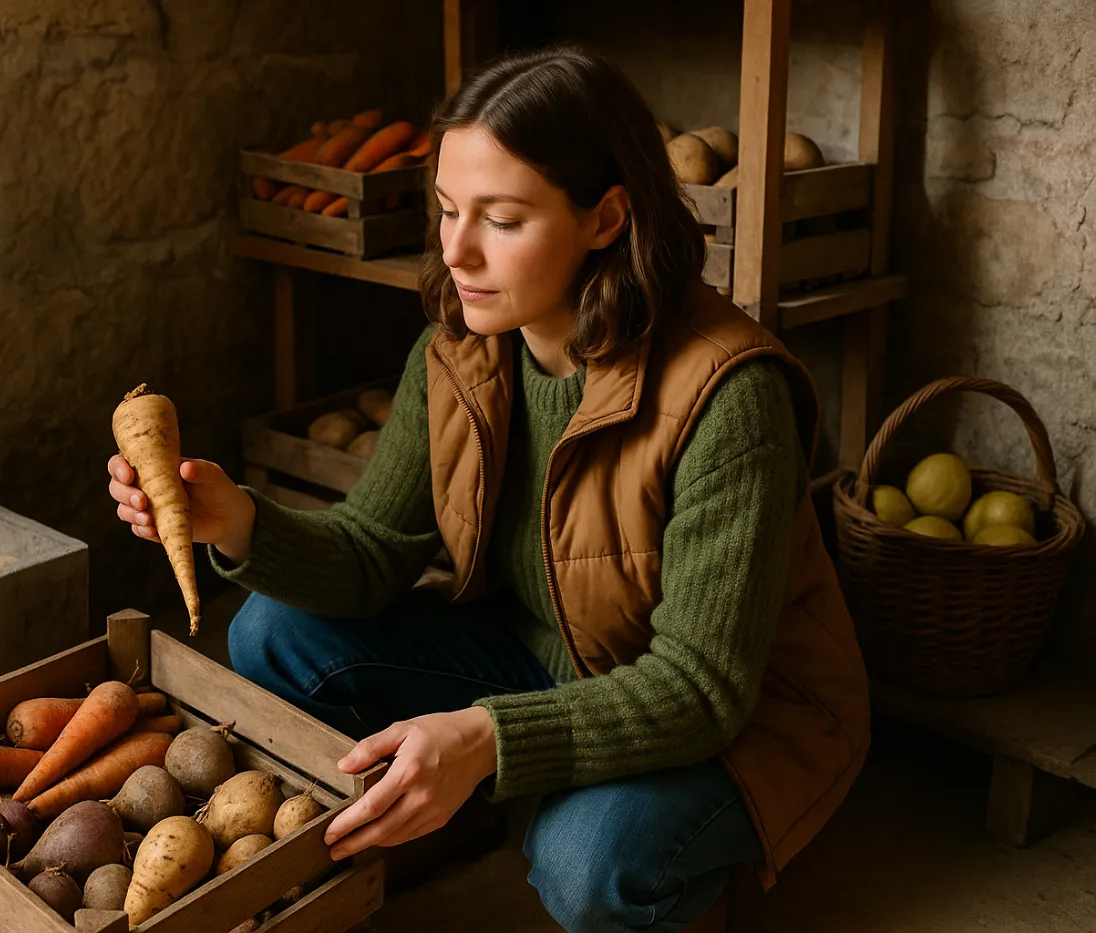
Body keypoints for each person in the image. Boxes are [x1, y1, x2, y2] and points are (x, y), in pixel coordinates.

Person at [108, 46, 870, 933]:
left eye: (501, 220)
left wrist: (488, 737)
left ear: (606, 218)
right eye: (446, 210)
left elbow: (703, 688)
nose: (456, 250)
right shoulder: (459, 349)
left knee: (588, 864)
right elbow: (368, 554)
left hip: (734, 717)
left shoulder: (729, 395)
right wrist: (235, 520)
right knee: (273, 631)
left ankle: (674, 886)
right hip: (536, 653)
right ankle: (461, 812)